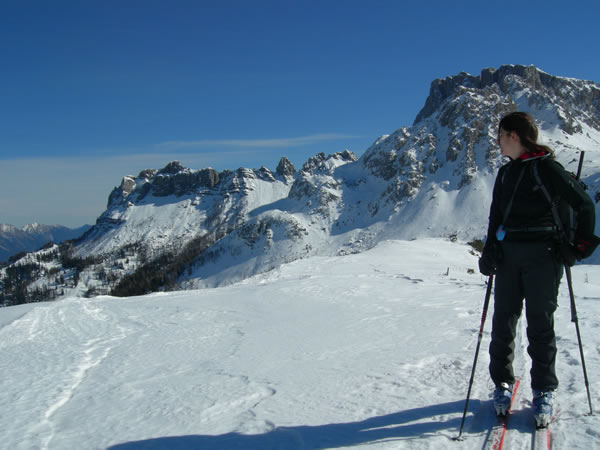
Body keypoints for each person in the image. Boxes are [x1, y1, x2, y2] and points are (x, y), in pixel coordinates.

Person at [478, 111, 598, 428]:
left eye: (500, 135)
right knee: (503, 321)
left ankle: (544, 389)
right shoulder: (505, 174)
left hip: (544, 256)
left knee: (539, 324)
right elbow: (496, 217)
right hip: (508, 256)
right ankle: (502, 383)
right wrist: (489, 251)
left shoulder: (547, 169)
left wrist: (579, 247)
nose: (498, 142)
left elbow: (584, 204)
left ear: (514, 136)